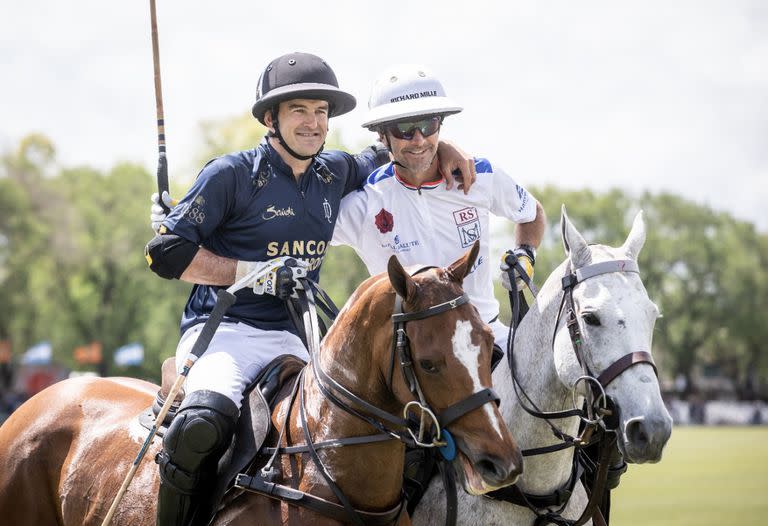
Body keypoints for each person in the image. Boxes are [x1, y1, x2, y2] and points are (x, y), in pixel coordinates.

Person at [144, 52, 475, 526]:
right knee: (201, 424)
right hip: (225, 335)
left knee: (398, 422)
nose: (313, 123)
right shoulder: (232, 175)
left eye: (321, 111)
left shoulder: (333, 173)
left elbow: (398, 149)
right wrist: (251, 271)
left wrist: (448, 149)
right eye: (299, 110)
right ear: (269, 119)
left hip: (300, 340)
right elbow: (165, 254)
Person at [331, 64, 546, 354]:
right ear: (382, 135)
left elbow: (532, 214)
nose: (419, 139)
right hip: (411, 353)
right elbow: (305, 232)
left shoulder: (481, 176)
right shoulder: (364, 202)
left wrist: (525, 254)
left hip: (486, 333)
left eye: (429, 125)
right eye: (405, 128)